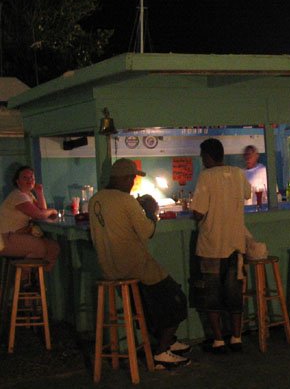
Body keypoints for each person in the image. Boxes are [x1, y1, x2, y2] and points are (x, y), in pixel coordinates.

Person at [89, 158, 191, 370]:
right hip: (135, 266)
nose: (133, 183)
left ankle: (169, 342)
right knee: (177, 301)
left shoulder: (95, 200)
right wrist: (151, 211)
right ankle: (162, 352)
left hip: (109, 269)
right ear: (126, 178)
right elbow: (148, 231)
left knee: (148, 306)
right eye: (133, 178)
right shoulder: (126, 201)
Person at [191, 138, 252, 353]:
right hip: (236, 246)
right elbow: (247, 194)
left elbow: (198, 212)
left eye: (202, 157)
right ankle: (236, 338)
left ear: (207, 157)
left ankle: (218, 340)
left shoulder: (206, 177)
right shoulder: (237, 173)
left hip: (212, 246)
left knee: (212, 296)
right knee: (235, 294)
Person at [0, 166, 60, 273]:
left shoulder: (28, 195)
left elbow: (42, 210)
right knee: (40, 248)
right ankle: (24, 283)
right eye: (25, 178)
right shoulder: (18, 196)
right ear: (18, 182)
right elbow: (39, 215)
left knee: (53, 247)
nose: (29, 180)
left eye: (31, 178)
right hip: (5, 238)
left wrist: (39, 192)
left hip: (16, 235)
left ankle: (38, 281)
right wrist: (53, 211)